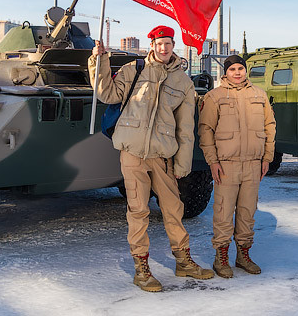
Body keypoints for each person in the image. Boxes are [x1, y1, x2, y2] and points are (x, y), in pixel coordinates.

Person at [88, 25, 213, 292]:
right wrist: (99, 61)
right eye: (159, 43)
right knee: (139, 211)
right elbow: (107, 94)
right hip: (133, 154)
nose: (164, 48)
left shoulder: (183, 81)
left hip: (162, 156)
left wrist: (183, 163)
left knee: (173, 210)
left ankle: (183, 262)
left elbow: (185, 128)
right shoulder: (134, 71)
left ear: (173, 46)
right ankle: (142, 268)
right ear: (152, 45)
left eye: (168, 43)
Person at [198, 54, 276, 278]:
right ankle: (220, 257)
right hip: (226, 165)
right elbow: (206, 130)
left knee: (247, 212)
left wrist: (266, 158)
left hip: (253, 164)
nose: (237, 73)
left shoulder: (259, 95)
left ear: (246, 70)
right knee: (223, 212)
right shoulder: (215, 97)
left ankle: (243, 255)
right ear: (226, 72)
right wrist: (212, 161)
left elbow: (270, 127)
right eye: (232, 69)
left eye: (240, 68)